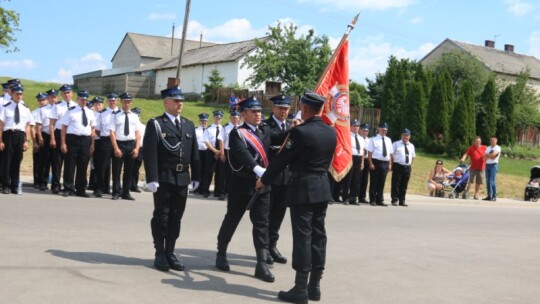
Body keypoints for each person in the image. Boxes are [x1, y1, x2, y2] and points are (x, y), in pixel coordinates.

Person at [255, 89, 336, 303]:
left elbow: (281, 159)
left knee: (303, 237)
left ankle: (300, 289)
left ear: (306, 108)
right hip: (322, 188)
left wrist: (264, 180)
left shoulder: (300, 132)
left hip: (303, 188)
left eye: (301, 107)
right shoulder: (331, 131)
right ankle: (315, 286)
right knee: (319, 236)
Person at [215, 96, 275, 283]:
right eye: (254, 111)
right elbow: (242, 154)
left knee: (262, 224)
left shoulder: (265, 130)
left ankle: (261, 263)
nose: (258, 114)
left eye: (259, 111)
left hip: (262, 186)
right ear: (243, 114)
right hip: (242, 185)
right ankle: (221, 252)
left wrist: (296, 129)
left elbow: (281, 138)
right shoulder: (237, 133)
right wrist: (258, 170)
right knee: (232, 219)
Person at [143, 87, 200, 272]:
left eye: (181, 100)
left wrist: (197, 176)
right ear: (166, 102)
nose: (180, 103)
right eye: (176, 101)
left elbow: (194, 154)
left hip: (182, 178)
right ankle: (159, 253)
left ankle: (170, 252)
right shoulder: (156, 124)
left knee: (176, 217)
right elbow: (150, 152)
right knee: (162, 216)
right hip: (164, 178)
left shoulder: (189, 124)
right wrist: (152, 177)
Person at [264, 94, 292, 264]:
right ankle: (264, 247)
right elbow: (272, 143)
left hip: (286, 178)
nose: (284, 111)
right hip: (271, 177)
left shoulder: (290, 125)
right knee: (266, 214)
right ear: (273, 108)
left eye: (286, 108)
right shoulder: (266, 126)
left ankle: (272, 245)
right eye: (281, 107)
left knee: (279, 214)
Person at [59, 90, 96, 197]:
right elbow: (64, 127)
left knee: (83, 166)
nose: (84, 101)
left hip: (86, 140)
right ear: (77, 99)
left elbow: (92, 129)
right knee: (69, 165)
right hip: (72, 140)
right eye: (82, 99)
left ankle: (81, 189)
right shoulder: (70, 111)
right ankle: (68, 188)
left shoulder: (90, 112)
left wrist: (92, 144)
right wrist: (63, 143)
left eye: (86, 99)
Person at [0, 84, 34, 194]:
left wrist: (26, 140)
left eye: (21, 94)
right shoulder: (6, 107)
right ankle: (5, 185)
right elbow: (1, 125)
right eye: (17, 94)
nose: (19, 96)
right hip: (8, 135)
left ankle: (14, 186)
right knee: (7, 162)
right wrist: (0, 140)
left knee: (16, 161)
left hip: (20, 136)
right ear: (12, 94)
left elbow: (28, 125)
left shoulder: (25, 109)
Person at [109, 92, 141, 201]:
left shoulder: (135, 116)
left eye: (129, 101)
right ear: (121, 102)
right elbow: (112, 132)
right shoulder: (115, 115)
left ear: (131, 102)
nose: (127, 103)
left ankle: (126, 192)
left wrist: (137, 148)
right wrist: (116, 148)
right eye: (125, 101)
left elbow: (138, 133)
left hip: (131, 144)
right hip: (120, 144)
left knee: (129, 170)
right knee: (116, 170)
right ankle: (116, 192)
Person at [49, 84, 75, 194]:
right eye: (64, 93)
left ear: (72, 93)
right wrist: (52, 138)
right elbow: (51, 124)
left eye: (68, 92)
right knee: (57, 162)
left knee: (70, 162)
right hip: (59, 133)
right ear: (61, 94)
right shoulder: (57, 106)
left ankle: (68, 185)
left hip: (71, 135)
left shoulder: (76, 106)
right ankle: (55, 184)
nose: (66, 95)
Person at [93, 92, 119, 197]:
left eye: (114, 100)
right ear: (107, 101)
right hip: (105, 141)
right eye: (110, 100)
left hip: (118, 141)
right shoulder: (101, 113)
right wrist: (105, 136)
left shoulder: (121, 113)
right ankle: (100, 188)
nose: (112, 102)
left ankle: (116, 190)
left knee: (117, 167)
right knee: (102, 166)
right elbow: (97, 129)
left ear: (117, 101)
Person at [367, 122, 393, 206]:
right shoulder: (373, 139)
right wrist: (370, 163)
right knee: (374, 181)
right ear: (378, 129)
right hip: (376, 162)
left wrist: (389, 164)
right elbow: (370, 152)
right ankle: (373, 199)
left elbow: (390, 154)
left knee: (382, 182)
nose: (384, 131)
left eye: (385, 130)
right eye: (382, 129)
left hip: (385, 163)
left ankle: (380, 199)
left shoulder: (388, 140)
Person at [200, 110, 224, 198]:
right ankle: (205, 190)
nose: (218, 119)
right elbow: (206, 141)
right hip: (210, 152)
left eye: (219, 118)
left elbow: (224, 141)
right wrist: (215, 151)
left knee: (220, 172)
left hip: (221, 151)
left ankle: (218, 192)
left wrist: (220, 152)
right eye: (216, 117)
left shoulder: (223, 129)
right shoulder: (208, 129)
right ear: (213, 118)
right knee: (208, 172)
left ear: (221, 119)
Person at [219, 110, 241, 200]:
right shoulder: (225, 128)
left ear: (239, 119)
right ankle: (222, 192)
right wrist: (222, 153)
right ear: (230, 118)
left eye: (236, 118)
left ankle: (234, 192)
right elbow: (221, 140)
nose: (235, 120)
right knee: (225, 173)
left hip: (238, 153)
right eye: (233, 118)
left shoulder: (242, 128)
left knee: (237, 173)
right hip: (227, 151)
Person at [390, 128, 416, 207]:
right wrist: (391, 164)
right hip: (398, 165)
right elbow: (391, 154)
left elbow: (413, 156)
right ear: (401, 136)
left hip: (407, 167)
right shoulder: (396, 144)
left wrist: (409, 164)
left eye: (407, 135)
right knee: (396, 184)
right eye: (404, 135)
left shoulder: (411, 146)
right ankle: (394, 200)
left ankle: (402, 200)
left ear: (409, 137)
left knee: (404, 185)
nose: (406, 137)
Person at [342, 119, 364, 205]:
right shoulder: (347, 136)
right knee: (348, 179)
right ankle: (345, 198)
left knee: (356, 179)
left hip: (358, 159)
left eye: (357, 126)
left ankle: (353, 198)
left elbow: (362, 151)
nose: (356, 128)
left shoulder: (361, 138)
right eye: (354, 126)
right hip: (350, 158)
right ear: (350, 127)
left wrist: (362, 162)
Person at [31, 93, 49, 189]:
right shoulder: (34, 112)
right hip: (38, 136)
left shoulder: (50, 110)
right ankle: (36, 181)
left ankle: (43, 181)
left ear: (47, 100)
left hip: (47, 135)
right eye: (40, 100)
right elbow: (32, 128)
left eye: (43, 100)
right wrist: (35, 141)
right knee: (37, 160)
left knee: (46, 160)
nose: (42, 102)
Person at [130, 107, 145, 193]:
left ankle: (134, 185)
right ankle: (127, 184)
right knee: (129, 167)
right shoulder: (131, 126)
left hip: (141, 149)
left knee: (136, 168)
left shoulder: (143, 127)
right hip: (131, 147)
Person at [193, 113, 209, 194]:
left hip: (207, 152)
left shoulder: (209, 130)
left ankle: (204, 189)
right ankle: (196, 188)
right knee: (197, 170)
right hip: (198, 152)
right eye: (202, 121)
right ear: (199, 121)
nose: (204, 122)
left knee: (206, 171)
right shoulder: (195, 130)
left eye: (205, 121)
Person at [483, 136, 501, 201]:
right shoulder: (488, 148)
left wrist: (489, 155)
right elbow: (484, 156)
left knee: (492, 181)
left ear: (496, 141)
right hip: (487, 165)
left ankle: (494, 196)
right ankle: (489, 195)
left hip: (493, 166)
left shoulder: (498, 148)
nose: (492, 141)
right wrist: (490, 155)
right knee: (487, 181)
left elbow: (494, 155)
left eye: (493, 140)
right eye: (491, 140)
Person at [358, 123, 370, 204]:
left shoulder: (369, 140)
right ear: (360, 130)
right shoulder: (357, 138)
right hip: (358, 159)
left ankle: (362, 197)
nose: (365, 132)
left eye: (366, 131)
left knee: (365, 180)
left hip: (366, 160)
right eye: (363, 130)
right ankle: (354, 195)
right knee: (357, 179)